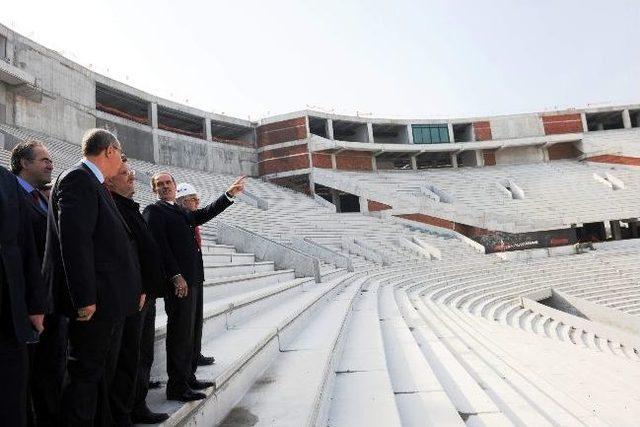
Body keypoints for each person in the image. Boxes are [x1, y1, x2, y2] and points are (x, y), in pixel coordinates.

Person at [42, 128, 143, 425]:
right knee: (84, 377)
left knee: (96, 375)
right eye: (120, 153)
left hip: (105, 301)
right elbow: (75, 242)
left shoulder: (93, 182)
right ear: (109, 151)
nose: (121, 160)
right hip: (93, 304)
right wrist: (84, 298)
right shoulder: (78, 179)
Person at [143, 172, 245, 402]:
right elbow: (159, 247)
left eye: (168, 183)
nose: (164, 186)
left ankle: (188, 377)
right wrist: (175, 275)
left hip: (194, 280)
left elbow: (204, 214)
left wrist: (228, 195)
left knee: (192, 331)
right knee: (179, 333)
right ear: (154, 190)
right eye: (159, 184)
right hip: (179, 284)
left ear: (175, 186)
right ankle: (177, 386)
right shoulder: (154, 211)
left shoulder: (179, 210)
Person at [105, 158, 169, 425]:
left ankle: (137, 404)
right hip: (133, 295)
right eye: (124, 173)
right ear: (108, 181)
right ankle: (122, 412)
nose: (132, 176)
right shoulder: (113, 209)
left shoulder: (130, 207)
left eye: (130, 171)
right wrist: (140, 287)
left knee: (142, 356)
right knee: (127, 358)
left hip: (146, 295)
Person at [11, 140, 68, 427]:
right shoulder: (11, 198)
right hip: (27, 308)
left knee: (51, 373)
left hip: (50, 303)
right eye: (44, 159)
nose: (50, 164)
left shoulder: (44, 199)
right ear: (24, 163)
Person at [0, 165, 45, 427]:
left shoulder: (6, 179)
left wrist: (35, 304)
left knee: (12, 395)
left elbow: (27, 245)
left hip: (11, 312)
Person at [176, 182, 214, 368]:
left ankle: (195, 354)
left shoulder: (190, 219)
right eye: (194, 199)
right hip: (184, 280)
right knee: (186, 324)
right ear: (183, 202)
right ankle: (187, 361)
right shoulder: (179, 218)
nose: (197, 203)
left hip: (196, 277)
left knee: (197, 320)